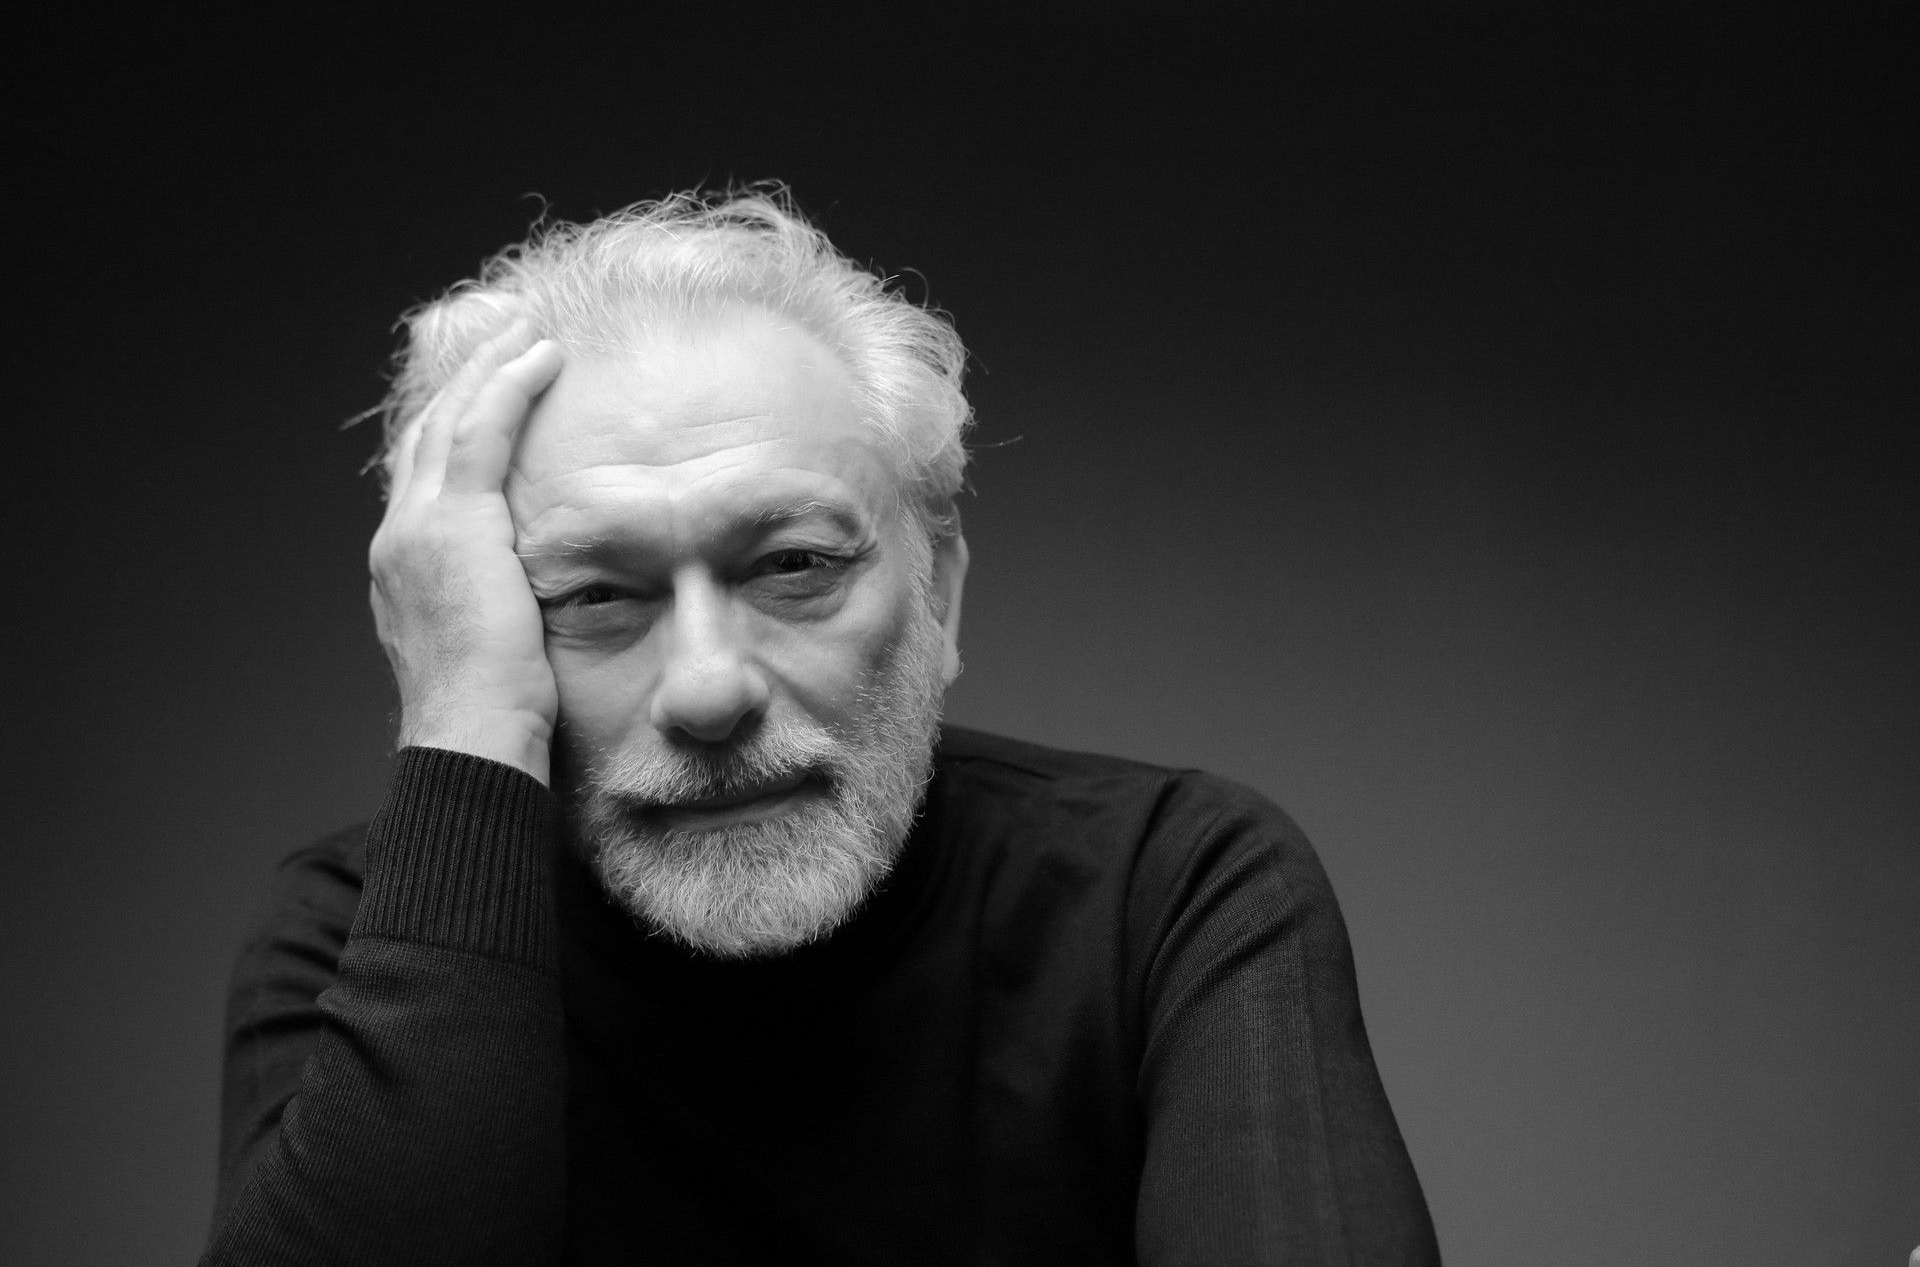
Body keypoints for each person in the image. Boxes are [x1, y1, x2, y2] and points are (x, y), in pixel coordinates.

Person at [204, 188, 1441, 1265]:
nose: (707, 690)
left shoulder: (1173, 887)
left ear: (939, 594)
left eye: (795, 563)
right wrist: (463, 721)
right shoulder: (351, 932)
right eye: (590, 596)